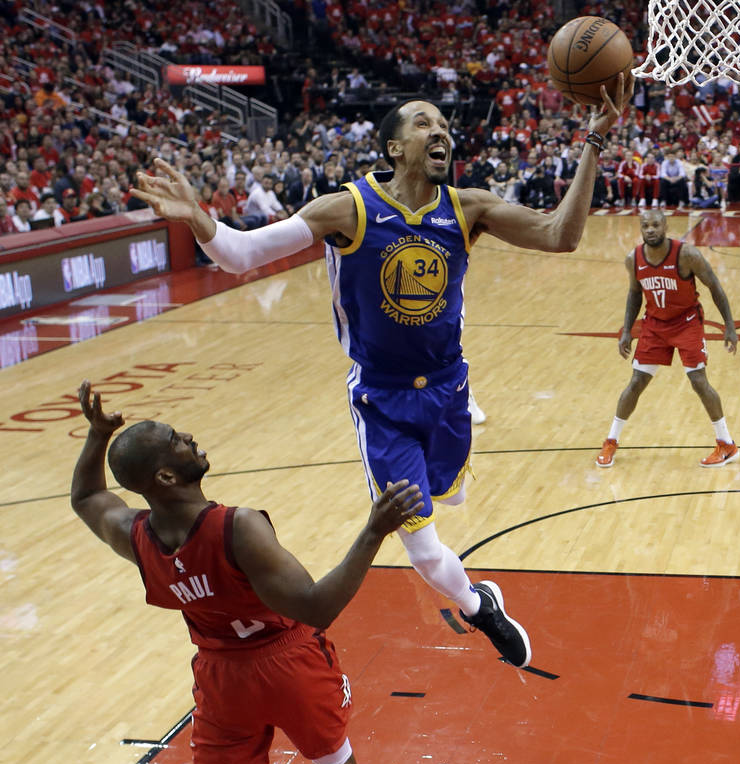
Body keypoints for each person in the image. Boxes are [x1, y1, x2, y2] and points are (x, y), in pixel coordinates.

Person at [133, 84, 631, 668]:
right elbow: (241, 255)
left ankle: (466, 575)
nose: (441, 130)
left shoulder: (468, 207)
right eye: (425, 123)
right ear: (394, 147)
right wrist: (199, 218)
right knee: (420, 546)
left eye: (445, 122)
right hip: (382, 401)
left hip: (449, 391)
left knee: (452, 496)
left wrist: (593, 142)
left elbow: (561, 235)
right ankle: (478, 607)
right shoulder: (346, 209)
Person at [71, 380, 424, 764]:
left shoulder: (139, 536)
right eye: (178, 441)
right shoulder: (238, 527)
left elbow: (86, 498)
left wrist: (98, 437)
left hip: (222, 676)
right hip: (288, 661)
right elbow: (319, 607)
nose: (191, 440)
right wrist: (374, 532)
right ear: (166, 474)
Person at [596, 208, 739, 469]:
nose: (650, 230)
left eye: (655, 225)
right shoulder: (634, 259)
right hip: (654, 325)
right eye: (645, 226)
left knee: (698, 381)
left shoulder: (687, 254)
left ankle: (726, 443)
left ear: (665, 227)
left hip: (686, 323)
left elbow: (714, 285)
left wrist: (729, 325)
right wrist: (627, 330)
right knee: (636, 382)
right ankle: (611, 440)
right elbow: (634, 294)